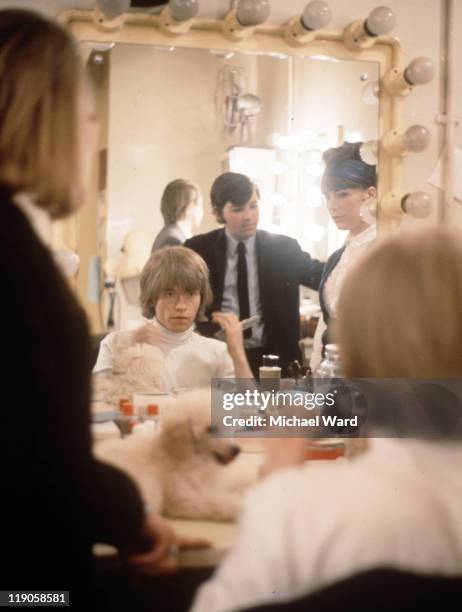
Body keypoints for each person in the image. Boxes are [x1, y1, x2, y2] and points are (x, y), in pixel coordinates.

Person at [0, 10, 205, 607]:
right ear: (52, 117)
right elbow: (46, 456)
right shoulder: (17, 265)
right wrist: (135, 522)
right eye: (87, 115)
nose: (91, 133)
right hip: (26, 588)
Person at [191, 228, 462, 612]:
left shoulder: (300, 512)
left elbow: (248, 410)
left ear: (358, 338)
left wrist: (278, 484)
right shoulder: (379, 405)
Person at [185, 172, 325, 376]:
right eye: (238, 209)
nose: (249, 216)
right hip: (219, 357)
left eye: (253, 205)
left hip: (276, 359)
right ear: (218, 212)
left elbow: (324, 278)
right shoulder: (198, 249)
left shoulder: (284, 249)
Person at [94, 246, 253, 387]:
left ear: (201, 297)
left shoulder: (217, 352)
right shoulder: (116, 343)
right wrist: (129, 354)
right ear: (152, 296)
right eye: (170, 293)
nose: (181, 306)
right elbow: (97, 405)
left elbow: (250, 413)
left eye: (190, 294)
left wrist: (238, 354)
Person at [310, 141, 377, 372]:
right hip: (332, 372)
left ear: (370, 194)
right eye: (327, 197)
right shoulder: (337, 258)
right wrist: (316, 369)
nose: (332, 206)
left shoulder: (381, 252)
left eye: (342, 194)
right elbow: (325, 323)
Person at [152, 178, 203, 251]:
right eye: (200, 205)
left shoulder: (172, 234)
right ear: (189, 206)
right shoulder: (173, 240)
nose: (202, 212)